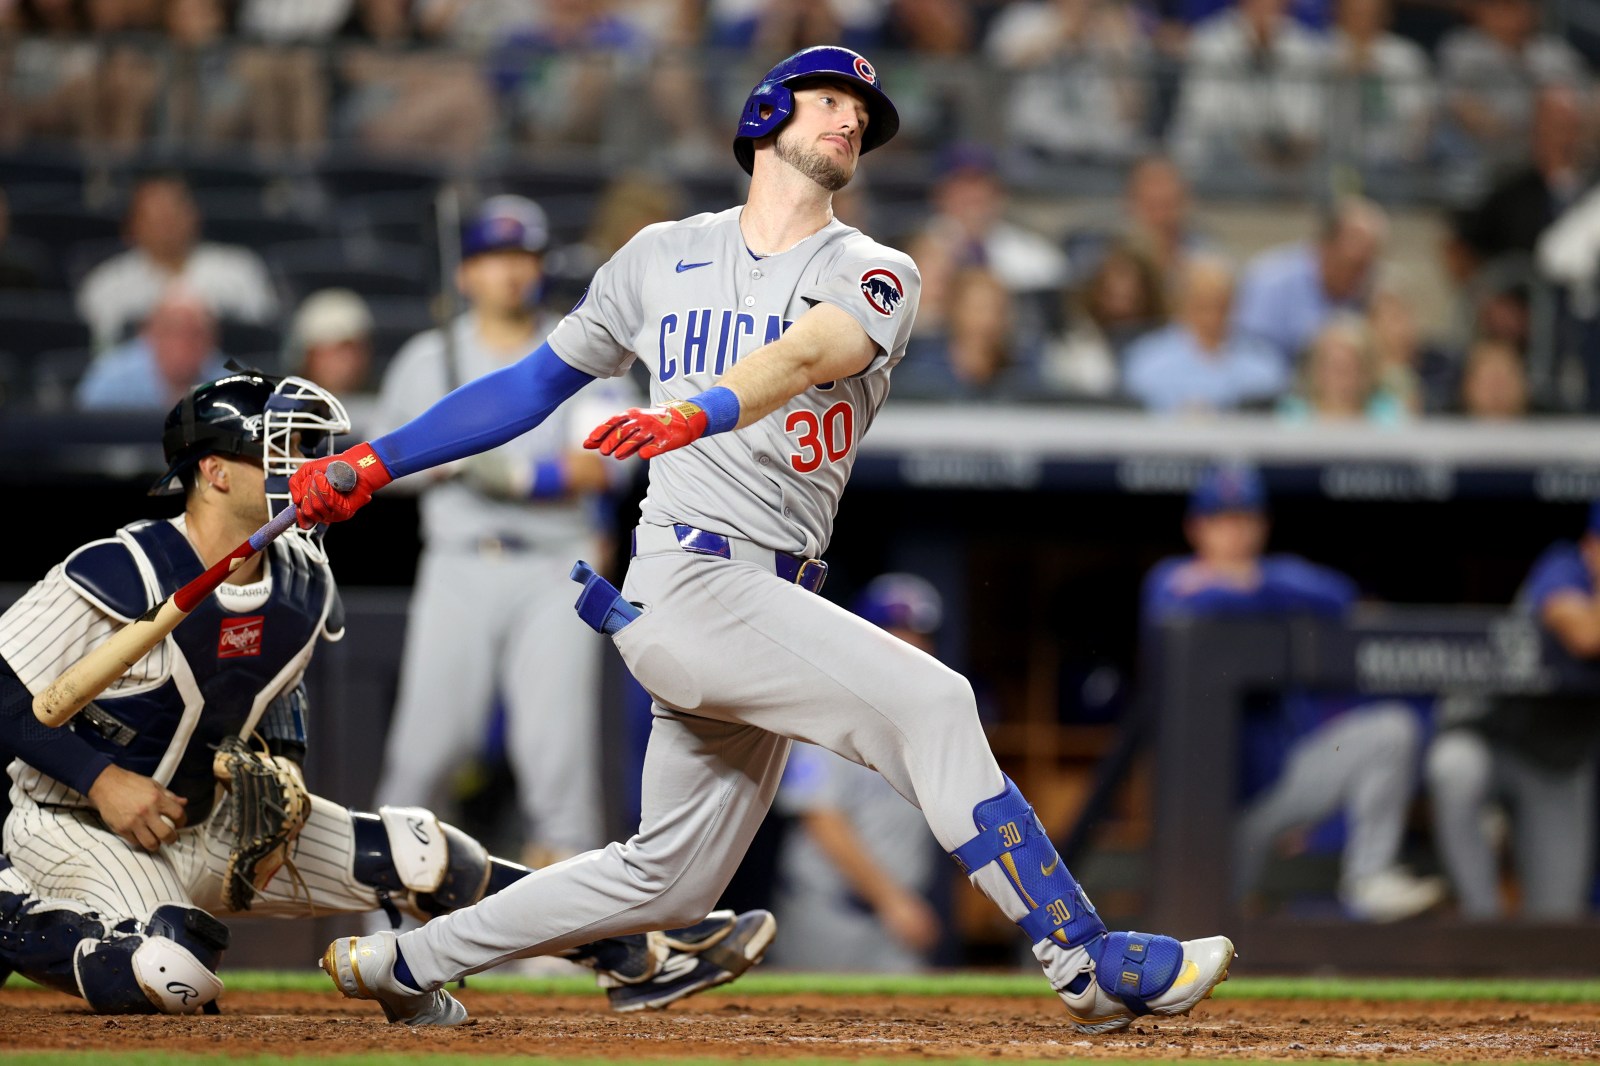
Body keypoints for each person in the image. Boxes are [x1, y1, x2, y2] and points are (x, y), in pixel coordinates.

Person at [289, 44, 1234, 1033]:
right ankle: (1081, 956)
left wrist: (697, 411)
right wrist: (372, 461)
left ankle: (406, 957)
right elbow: (531, 384)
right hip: (689, 576)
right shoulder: (657, 255)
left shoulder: (875, 267)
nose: (850, 122)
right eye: (830, 101)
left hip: (758, 595)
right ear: (767, 112)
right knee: (934, 699)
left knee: (667, 883)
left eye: (862, 116)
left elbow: (809, 351)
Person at [0, 371, 773, 1016]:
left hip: (201, 821)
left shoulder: (299, 577)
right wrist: (103, 780)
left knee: (428, 853)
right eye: (285, 450)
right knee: (174, 972)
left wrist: (287, 781)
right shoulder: (120, 569)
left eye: (307, 448)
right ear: (214, 471)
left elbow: (272, 697)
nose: (305, 466)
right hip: (74, 825)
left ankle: (637, 954)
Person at [370, 194, 638, 870]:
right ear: (467, 274)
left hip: (555, 572)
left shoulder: (587, 350)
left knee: (558, 764)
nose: (511, 273)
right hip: (458, 565)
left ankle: (563, 945)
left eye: (523, 257)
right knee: (424, 754)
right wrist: (442, 460)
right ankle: (388, 923)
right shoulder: (429, 359)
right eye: (495, 258)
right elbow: (380, 465)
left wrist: (517, 476)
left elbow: (605, 464)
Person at [1142, 463, 1444, 922]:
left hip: (1277, 788)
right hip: (1203, 813)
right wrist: (1250, 591)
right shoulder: (1170, 577)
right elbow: (1179, 601)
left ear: (1262, 526)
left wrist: (1251, 583)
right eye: (1222, 520)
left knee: (1392, 731)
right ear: (1196, 528)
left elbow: (1338, 595)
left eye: (1246, 519)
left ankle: (1370, 877)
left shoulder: (1274, 575)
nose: (1235, 533)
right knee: (1203, 934)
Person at [1426, 501, 1600, 920]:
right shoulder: (1563, 566)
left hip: (1556, 765)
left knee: (1554, 926)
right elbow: (1586, 635)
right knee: (1454, 768)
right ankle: (1480, 918)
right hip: (1488, 736)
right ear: (1591, 546)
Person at [769, 574, 948, 973]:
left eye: (919, 635)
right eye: (894, 633)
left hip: (896, 921)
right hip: (828, 919)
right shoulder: (824, 708)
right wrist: (891, 900)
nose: (910, 646)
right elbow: (820, 819)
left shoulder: (927, 719)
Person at [75, 172, 279, 353]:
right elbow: (100, 354)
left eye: (173, 214)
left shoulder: (239, 271)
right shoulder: (106, 285)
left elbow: (263, 345)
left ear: (195, 215)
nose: (166, 226)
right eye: (155, 217)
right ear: (131, 225)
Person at [1232, 195, 1389, 369]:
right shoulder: (1269, 281)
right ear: (1326, 246)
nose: (1362, 275)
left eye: (1368, 264)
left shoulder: (1371, 289)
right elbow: (1249, 359)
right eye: (1355, 265)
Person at [1121, 255, 1288, 413]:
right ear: (1181, 305)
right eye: (1202, 305)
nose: (1212, 317)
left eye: (1222, 305)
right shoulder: (1146, 361)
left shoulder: (1263, 365)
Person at [74, 282, 229, 411]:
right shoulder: (110, 380)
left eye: (196, 334)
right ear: (148, 335)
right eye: (172, 332)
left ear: (212, 340)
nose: (183, 344)